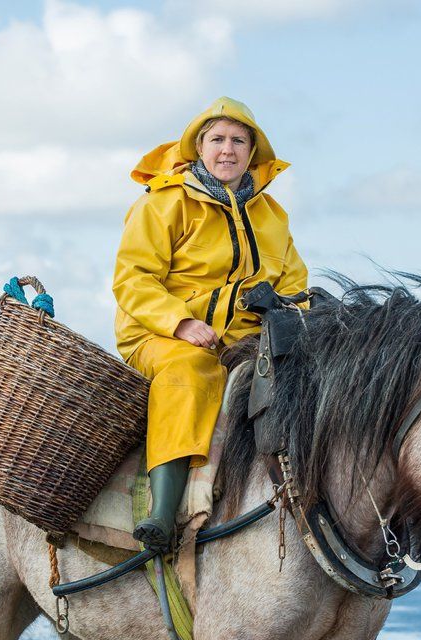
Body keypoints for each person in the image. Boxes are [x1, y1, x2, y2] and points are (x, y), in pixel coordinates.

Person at [113, 97, 308, 552]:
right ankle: (161, 514)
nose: (227, 150)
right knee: (191, 370)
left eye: (238, 140)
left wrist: (289, 308)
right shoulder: (164, 204)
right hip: (159, 334)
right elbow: (133, 279)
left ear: (253, 151)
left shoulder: (273, 216)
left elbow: (297, 283)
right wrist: (180, 323)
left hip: (242, 338)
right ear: (199, 148)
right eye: (217, 139)